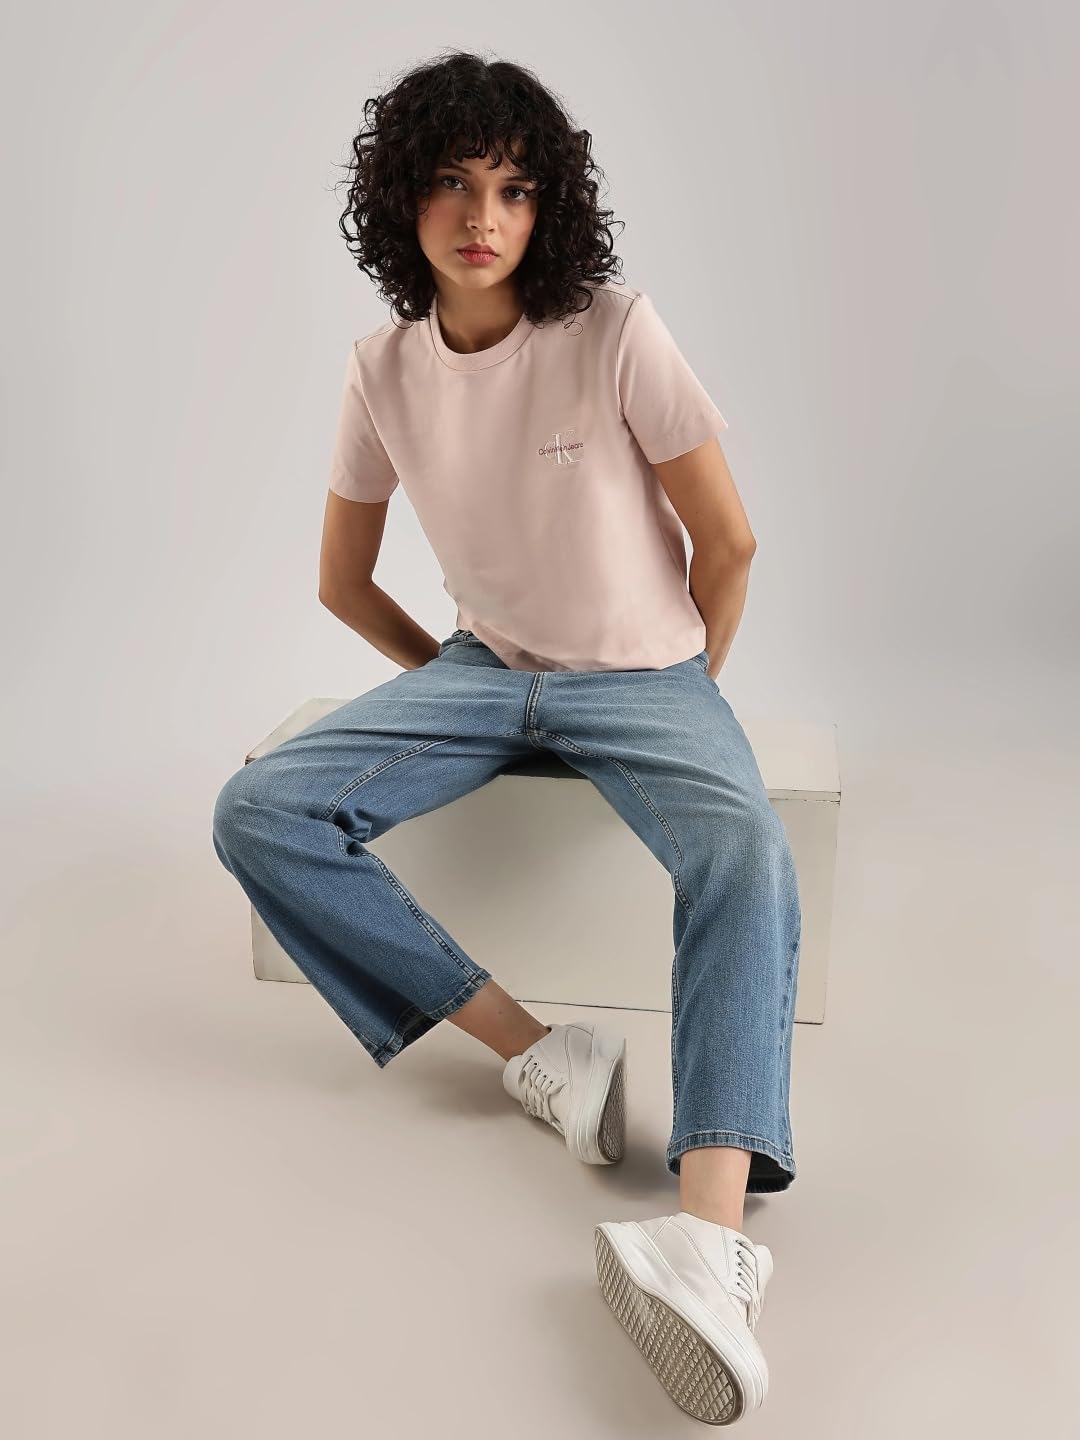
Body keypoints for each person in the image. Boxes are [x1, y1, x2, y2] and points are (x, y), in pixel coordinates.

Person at [212, 48, 802, 1427]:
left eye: (516, 190)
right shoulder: (383, 368)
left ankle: (708, 1241)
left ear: (550, 209)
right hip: (486, 672)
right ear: (400, 201)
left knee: (746, 853)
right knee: (260, 810)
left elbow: (727, 543)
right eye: (453, 183)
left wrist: (684, 695)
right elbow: (341, 582)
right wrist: (452, 692)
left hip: (647, 675)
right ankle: (541, 1052)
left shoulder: (613, 329)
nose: (485, 217)